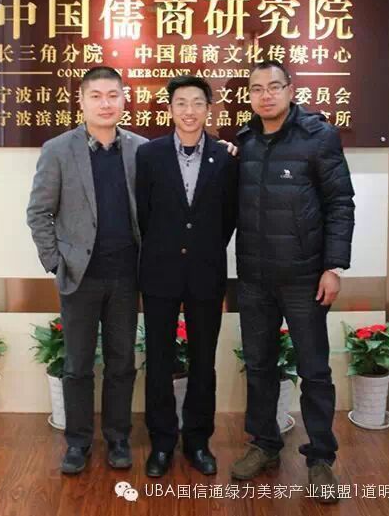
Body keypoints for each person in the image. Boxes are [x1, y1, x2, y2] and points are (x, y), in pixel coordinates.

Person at [230, 60, 355, 504]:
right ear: (249, 96)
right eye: (257, 89)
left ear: (289, 89)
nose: (265, 95)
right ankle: (264, 443)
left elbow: (340, 202)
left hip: (305, 278)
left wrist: (334, 266)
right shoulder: (243, 143)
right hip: (254, 278)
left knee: (314, 370)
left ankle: (320, 458)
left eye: (274, 87)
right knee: (259, 365)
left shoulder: (318, 137)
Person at [27, 66, 148, 475]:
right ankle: (77, 442)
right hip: (79, 277)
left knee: (122, 362)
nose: (105, 103)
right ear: (81, 101)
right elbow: (39, 212)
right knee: (77, 365)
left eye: (113, 95)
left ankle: (118, 438)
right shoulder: (58, 150)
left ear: (124, 99)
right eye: (96, 96)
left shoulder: (140, 150)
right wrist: (55, 262)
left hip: (127, 276)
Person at [136, 75, 238, 478]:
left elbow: (229, 217)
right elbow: (143, 214)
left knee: (202, 361)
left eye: (197, 102)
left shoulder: (226, 157)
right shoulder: (150, 155)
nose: (189, 111)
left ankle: (197, 441)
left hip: (206, 273)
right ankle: (161, 443)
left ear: (209, 109)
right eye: (181, 103)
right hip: (159, 271)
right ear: (170, 109)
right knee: (159, 361)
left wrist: (202, 249)